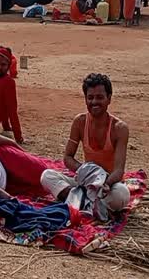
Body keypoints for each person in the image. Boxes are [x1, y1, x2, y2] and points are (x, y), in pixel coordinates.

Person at [40, 73, 130, 213]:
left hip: (108, 185)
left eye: (100, 97)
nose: (94, 102)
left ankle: (78, 200)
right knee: (46, 176)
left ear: (109, 99)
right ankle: (86, 200)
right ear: (85, 99)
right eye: (90, 98)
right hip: (84, 181)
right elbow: (68, 157)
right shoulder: (80, 122)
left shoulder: (119, 128)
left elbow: (119, 170)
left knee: (121, 195)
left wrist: (104, 183)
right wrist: (86, 172)